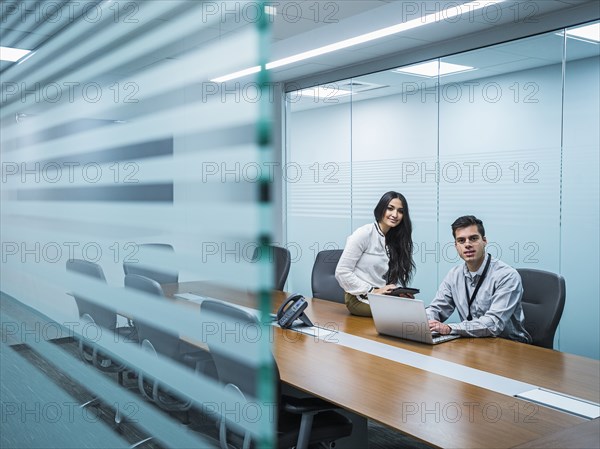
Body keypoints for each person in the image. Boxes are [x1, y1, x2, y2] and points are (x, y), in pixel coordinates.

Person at [427, 215, 531, 343]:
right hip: (474, 343)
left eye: (473, 238)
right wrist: (423, 321)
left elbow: (493, 323)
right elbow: (436, 309)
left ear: (484, 241)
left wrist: (449, 328)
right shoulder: (454, 275)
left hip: (509, 345)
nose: (467, 245)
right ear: (456, 246)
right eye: (461, 240)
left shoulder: (507, 276)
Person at [335, 191, 415, 317]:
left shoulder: (394, 240)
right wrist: (372, 290)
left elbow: (382, 278)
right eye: (390, 208)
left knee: (412, 305)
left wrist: (397, 292)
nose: (395, 215)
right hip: (358, 298)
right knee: (403, 313)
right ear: (381, 208)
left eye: (400, 211)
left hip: (380, 297)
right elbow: (342, 272)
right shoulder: (364, 233)